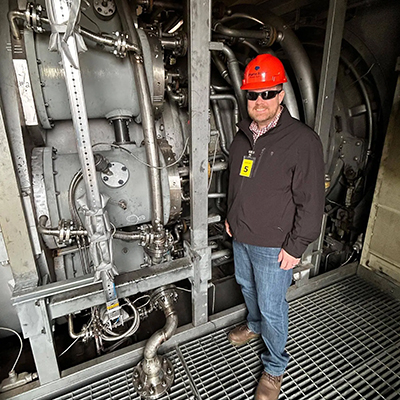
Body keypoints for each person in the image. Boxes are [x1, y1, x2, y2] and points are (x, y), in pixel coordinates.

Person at [225, 54, 325, 400]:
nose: (259, 102)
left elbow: (312, 202)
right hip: (241, 236)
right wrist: (230, 215)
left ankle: (274, 369)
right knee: (247, 290)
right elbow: (237, 183)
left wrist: (296, 247)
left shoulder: (302, 141)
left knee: (272, 307)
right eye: (253, 95)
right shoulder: (242, 137)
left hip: (274, 245)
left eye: (267, 93)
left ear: (281, 94)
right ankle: (253, 328)